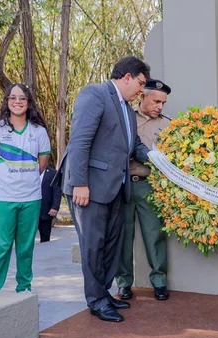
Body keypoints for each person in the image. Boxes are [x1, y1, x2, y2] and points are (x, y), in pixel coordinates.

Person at [56, 55, 150, 322]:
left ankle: (104, 293)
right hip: (90, 188)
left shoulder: (128, 110)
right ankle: (95, 300)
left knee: (111, 245)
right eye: (140, 83)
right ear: (127, 77)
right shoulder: (94, 95)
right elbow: (79, 143)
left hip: (116, 188)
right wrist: (80, 184)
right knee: (93, 245)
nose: (141, 90)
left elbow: (135, 146)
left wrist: (157, 158)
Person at [0, 84, 50, 293]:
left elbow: (42, 163)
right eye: (13, 98)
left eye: (22, 98)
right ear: (7, 102)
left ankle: (24, 288)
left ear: (28, 102)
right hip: (3, 197)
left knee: (25, 246)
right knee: (1, 245)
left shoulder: (38, 131)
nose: (17, 102)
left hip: (31, 197)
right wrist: (8, 180)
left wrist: (25, 179)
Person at [115, 79, 171, 301]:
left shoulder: (168, 124)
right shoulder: (126, 118)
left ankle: (159, 282)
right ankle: (124, 283)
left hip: (150, 185)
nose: (160, 106)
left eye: (163, 103)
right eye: (156, 101)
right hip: (125, 183)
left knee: (154, 234)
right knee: (123, 235)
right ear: (143, 97)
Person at [38, 165, 62, 243]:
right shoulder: (28, 172)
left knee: (45, 237)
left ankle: (44, 253)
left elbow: (57, 191)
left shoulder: (53, 173)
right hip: (29, 211)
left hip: (45, 210)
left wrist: (55, 207)